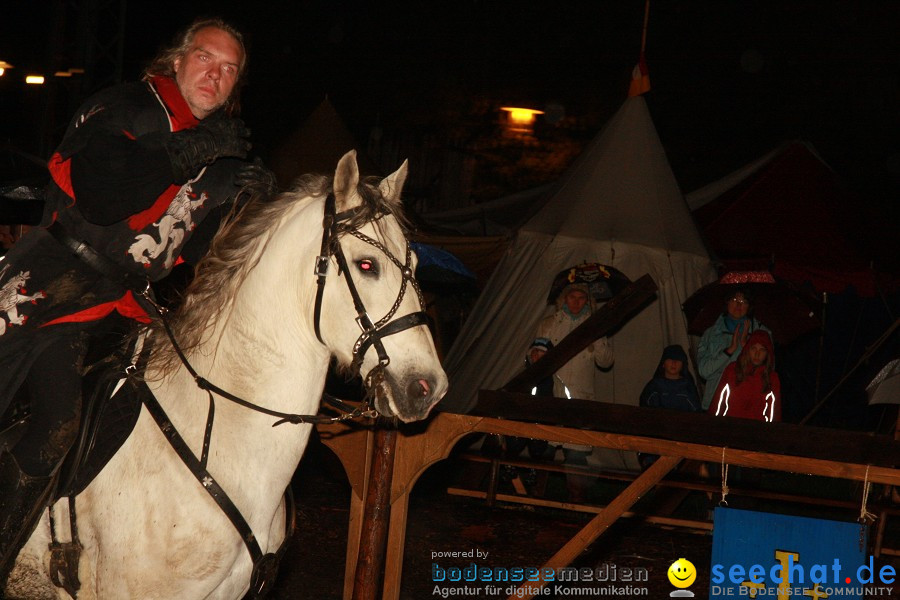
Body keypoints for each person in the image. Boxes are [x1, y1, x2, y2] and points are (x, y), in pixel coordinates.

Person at [0, 17, 275, 581]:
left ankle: (88, 542)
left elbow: (202, 252)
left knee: (152, 417)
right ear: (178, 59)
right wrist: (185, 151)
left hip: (128, 306)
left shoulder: (220, 157)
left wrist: (248, 212)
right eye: (205, 59)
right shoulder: (126, 107)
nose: (215, 76)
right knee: (55, 422)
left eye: (229, 70)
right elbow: (102, 198)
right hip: (53, 289)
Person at [536, 283, 613, 502]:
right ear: (564, 299)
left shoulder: (595, 325)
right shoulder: (549, 324)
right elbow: (533, 355)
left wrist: (597, 336)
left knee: (576, 456)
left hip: (579, 400)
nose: (577, 302)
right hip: (551, 397)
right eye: (572, 296)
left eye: (582, 297)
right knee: (544, 452)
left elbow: (606, 361)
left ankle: (576, 505)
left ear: (589, 301)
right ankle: (535, 498)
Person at [697, 288, 770, 410]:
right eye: (734, 299)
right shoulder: (711, 334)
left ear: (749, 306)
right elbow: (704, 371)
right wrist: (728, 352)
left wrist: (746, 346)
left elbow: (767, 372)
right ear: (727, 302)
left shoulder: (762, 335)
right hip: (716, 403)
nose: (738, 304)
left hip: (747, 405)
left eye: (744, 301)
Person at [638, 345, 701, 469]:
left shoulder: (688, 389)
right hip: (656, 443)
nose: (674, 363)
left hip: (681, 445)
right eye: (670, 359)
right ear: (663, 363)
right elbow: (644, 418)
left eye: (678, 359)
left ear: (683, 364)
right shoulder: (653, 388)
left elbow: (696, 419)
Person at [708, 330, 782, 422]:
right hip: (731, 428)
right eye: (753, 348)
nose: (757, 354)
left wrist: (771, 434)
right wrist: (712, 427)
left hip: (757, 432)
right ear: (748, 350)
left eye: (762, 350)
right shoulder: (733, 370)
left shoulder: (772, 378)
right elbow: (718, 402)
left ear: (767, 353)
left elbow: (774, 413)